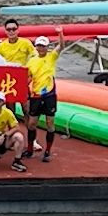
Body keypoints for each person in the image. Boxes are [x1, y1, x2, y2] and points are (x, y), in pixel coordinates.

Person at [25, 28, 66, 163]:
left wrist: (60, 33)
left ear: (47, 47)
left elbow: (61, 46)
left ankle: (48, 151)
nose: (41, 48)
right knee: (32, 123)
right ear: (36, 47)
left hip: (49, 95)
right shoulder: (31, 61)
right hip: (36, 94)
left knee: (50, 123)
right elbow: (28, 77)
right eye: (39, 46)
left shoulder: (51, 56)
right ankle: (30, 148)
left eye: (43, 46)